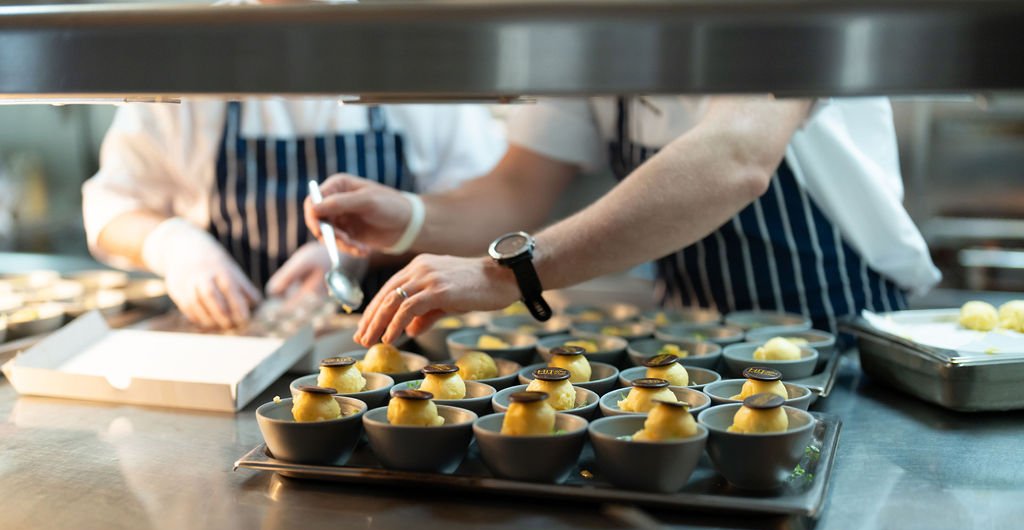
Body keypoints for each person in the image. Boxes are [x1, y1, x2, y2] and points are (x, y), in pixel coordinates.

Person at [304, 95, 940, 345]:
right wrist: (409, 217)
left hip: (842, 339)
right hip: (692, 347)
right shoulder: (601, 23)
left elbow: (736, 159)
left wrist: (510, 274)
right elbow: (518, 188)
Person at [82, 98, 505, 329]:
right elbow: (110, 207)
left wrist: (364, 254)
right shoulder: (192, 56)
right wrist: (176, 246)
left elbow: (489, 212)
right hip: (234, 346)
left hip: (394, 358)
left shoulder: (406, 46)